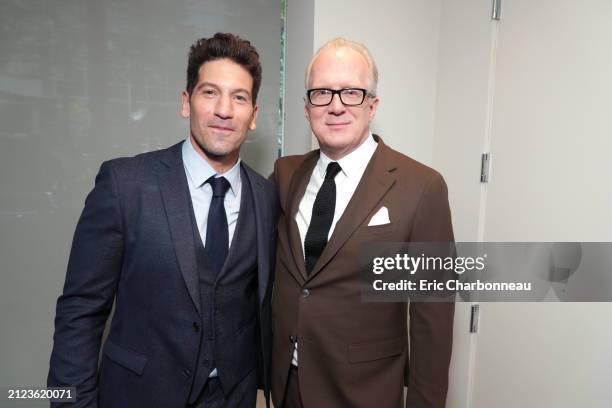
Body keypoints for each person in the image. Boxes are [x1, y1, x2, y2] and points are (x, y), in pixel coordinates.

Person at [48, 33, 277, 407]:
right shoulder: (125, 184)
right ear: (186, 103)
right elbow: (80, 310)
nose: (224, 110)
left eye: (239, 97)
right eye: (209, 93)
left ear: (253, 115)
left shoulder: (267, 198)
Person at [270, 38, 455, 407]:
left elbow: (432, 323)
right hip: (288, 388)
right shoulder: (286, 175)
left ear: (373, 105)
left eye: (351, 92)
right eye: (322, 93)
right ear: (307, 107)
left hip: (363, 395)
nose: (336, 105)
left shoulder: (422, 188)